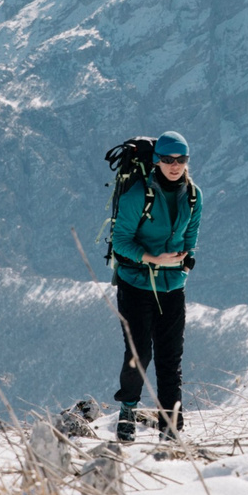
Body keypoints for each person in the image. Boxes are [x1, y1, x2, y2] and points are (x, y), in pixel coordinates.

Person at [109, 131, 201, 443]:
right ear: (156, 160)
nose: (174, 165)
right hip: (135, 283)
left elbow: (191, 238)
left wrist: (186, 260)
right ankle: (128, 411)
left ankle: (171, 425)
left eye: (181, 159)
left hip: (173, 286)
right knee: (139, 354)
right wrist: (152, 258)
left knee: (170, 357)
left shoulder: (193, 196)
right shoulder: (138, 195)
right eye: (167, 159)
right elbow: (120, 242)